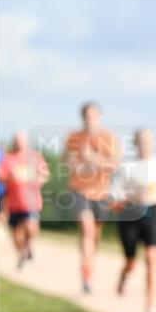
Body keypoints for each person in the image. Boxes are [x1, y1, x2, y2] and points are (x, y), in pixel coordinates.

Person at [112, 128, 156, 312]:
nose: (145, 144)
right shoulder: (127, 166)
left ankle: (150, 306)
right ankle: (124, 276)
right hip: (130, 214)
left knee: (152, 258)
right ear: (136, 143)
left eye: (149, 140)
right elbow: (115, 193)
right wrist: (127, 198)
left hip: (152, 212)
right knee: (131, 261)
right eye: (142, 141)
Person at [64, 101, 121, 293]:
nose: (90, 120)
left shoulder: (109, 138)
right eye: (86, 116)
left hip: (101, 192)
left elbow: (114, 165)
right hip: (80, 191)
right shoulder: (74, 138)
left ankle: (89, 264)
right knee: (87, 231)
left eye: (93, 116)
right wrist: (77, 163)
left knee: (95, 237)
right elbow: (69, 161)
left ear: (99, 117)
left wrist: (91, 159)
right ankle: (86, 277)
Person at [0, 131, 50, 269]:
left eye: (22, 140)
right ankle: (22, 253)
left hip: (31, 201)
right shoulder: (8, 158)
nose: (19, 143)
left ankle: (28, 245)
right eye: (17, 140)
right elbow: (1, 177)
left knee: (31, 226)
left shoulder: (35, 156)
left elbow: (44, 174)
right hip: (13, 203)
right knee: (16, 233)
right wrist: (11, 177)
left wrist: (36, 179)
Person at [0, 144, 6, 229]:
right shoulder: (4, 156)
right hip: (1, 189)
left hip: (0, 188)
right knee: (1, 210)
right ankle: (1, 228)